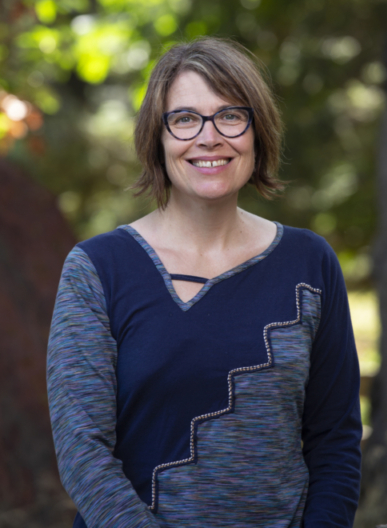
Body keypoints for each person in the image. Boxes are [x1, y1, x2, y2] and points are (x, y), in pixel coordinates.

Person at [47, 37, 362, 528]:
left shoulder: (310, 264)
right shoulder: (97, 269)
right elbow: (80, 449)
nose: (209, 137)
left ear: (258, 132)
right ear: (159, 136)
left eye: (230, 116)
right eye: (185, 118)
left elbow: (335, 439)